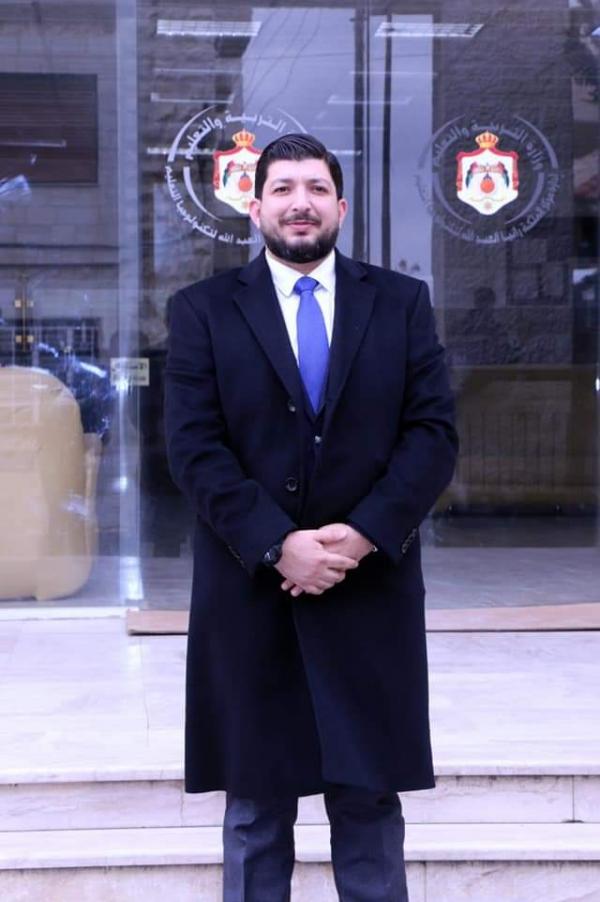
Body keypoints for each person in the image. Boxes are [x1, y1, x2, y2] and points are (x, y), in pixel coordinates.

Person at [164, 133, 458, 902]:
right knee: (256, 810)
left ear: (341, 207)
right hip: (251, 594)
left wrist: (361, 536)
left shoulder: (400, 304)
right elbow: (193, 448)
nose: (301, 203)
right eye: (284, 188)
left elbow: (432, 435)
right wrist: (276, 543)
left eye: (317, 189)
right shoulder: (202, 311)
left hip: (369, 591)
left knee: (369, 805)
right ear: (255, 207)